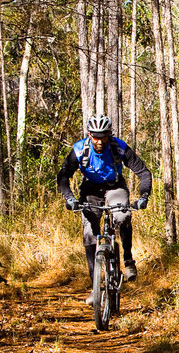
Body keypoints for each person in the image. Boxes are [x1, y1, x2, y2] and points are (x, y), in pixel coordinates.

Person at [57, 114, 152, 305]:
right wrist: (69, 198)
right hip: (90, 189)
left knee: (122, 216)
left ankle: (128, 260)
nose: (99, 140)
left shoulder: (119, 147)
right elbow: (63, 175)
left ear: (109, 134)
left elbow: (143, 172)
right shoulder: (79, 149)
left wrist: (143, 197)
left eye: (103, 136)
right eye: (95, 136)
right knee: (90, 234)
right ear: (89, 135)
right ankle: (95, 287)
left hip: (115, 186)